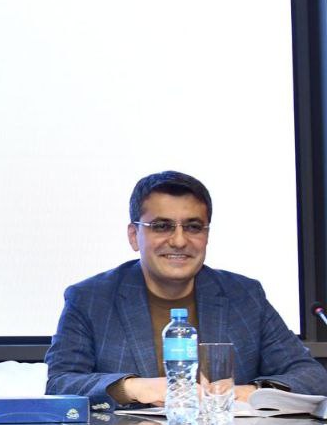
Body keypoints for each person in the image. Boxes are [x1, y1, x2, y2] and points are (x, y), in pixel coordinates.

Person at [45, 170, 327, 405]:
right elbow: (60, 383)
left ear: (207, 235)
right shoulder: (91, 299)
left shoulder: (244, 296)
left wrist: (250, 392)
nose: (179, 241)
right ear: (134, 235)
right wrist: (134, 388)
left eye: (193, 227)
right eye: (161, 226)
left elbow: (312, 376)